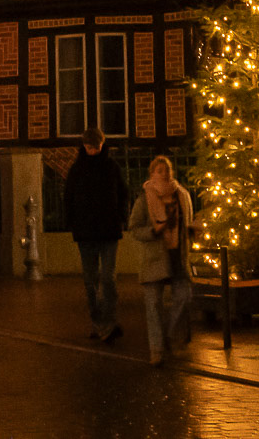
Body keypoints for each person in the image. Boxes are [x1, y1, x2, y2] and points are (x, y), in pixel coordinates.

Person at [129, 155, 196, 365]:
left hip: (178, 255)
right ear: (152, 174)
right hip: (154, 258)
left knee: (184, 296)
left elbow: (187, 222)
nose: (164, 174)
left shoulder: (182, 195)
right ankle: (156, 350)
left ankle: (170, 334)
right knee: (153, 306)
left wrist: (192, 230)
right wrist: (153, 231)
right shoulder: (144, 198)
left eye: (167, 170)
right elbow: (134, 228)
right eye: (159, 170)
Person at [65, 128, 131, 343]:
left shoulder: (111, 167)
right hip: (86, 232)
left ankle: (107, 322)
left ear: (102, 145)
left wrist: (121, 217)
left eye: (96, 147)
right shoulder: (77, 169)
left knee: (108, 279)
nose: (93, 151)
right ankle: (99, 321)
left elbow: (123, 194)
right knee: (90, 281)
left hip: (108, 230)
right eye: (89, 147)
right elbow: (68, 197)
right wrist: (73, 222)